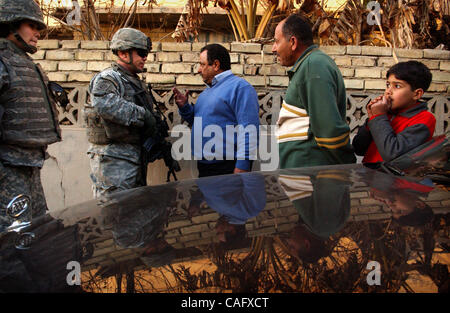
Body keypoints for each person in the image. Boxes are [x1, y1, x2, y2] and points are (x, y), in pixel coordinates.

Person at [0, 0, 62, 219]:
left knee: (37, 232)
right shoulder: (3, 61)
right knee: (12, 239)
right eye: (31, 26)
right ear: (11, 24)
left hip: (29, 167)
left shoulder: (24, 63)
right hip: (7, 171)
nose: (37, 33)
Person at [272, 14, 356, 169]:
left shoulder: (313, 66)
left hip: (312, 179)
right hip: (305, 177)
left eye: (277, 42)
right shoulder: (309, 65)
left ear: (293, 42)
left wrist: (345, 169)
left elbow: (329, 131)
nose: (274, 48)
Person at [84, 28, 156, 198]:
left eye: (146, 53)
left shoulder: (134, 82)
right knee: (113, 213)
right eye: (141, 52)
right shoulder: (108, 78)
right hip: (113, 160)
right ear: (123, 54)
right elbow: (106, 105)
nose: (145, 57)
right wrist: (143, 115)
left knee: (130, 213)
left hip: (132, 159)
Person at [172, 43, 260, 177]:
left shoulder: (240, 88)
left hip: (227, 167)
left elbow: (249, 129)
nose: (198, 70)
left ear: (216, 65)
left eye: (202, 64)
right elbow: (198, 122)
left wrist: (243, 165)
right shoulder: (206, 93)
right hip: (205, 167)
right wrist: (185, 107)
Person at [352, 61, 436, 167]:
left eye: (397, 86)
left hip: (394, 180)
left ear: (416, 94)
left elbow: (392, 154)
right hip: (368, 176)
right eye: (388, 85)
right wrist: (371, 119)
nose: (388, 91)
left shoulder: (424, 120)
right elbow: (359, 149)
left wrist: (378, 117)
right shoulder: (386, 114)